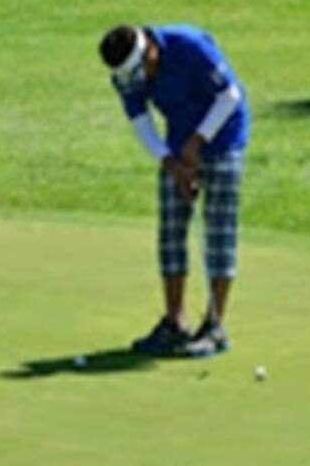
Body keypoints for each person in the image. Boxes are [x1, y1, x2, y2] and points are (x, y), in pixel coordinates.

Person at [98, 24, 250, 357]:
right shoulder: (125, 74)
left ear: (150, 52)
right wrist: (172, 165)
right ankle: (175, 323)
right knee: (170, 232)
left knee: (218, 233)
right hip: (178, 143)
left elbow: (229, 96)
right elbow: (141, 124)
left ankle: (214, 327)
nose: (139, 81)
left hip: (225, 137)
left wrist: (197, 142)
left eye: (141, 72)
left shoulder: (189, 45)